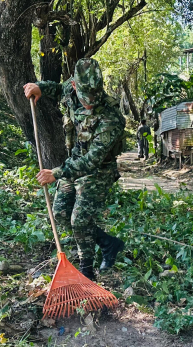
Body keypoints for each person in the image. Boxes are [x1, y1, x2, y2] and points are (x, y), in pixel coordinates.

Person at [23, 58, 125, 280]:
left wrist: (56, 173)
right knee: (60, 213)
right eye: (84, 97)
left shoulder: (110, 117)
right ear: (76, 86)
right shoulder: (71, 87)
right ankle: (109, 244)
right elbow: (59, 89)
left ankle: (87, 272)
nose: (89, 103)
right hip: (74, 161)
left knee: (79, 220)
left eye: (93, 98)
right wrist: (40, 87)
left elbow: (92, 161)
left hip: (99, 169)